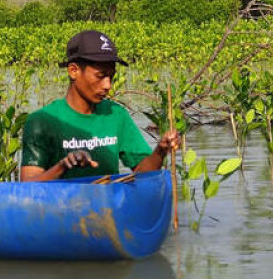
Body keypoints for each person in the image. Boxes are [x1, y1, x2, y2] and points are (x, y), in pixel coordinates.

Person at [20, 30, 180, 181]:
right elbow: (28, 187)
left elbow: (143, 174)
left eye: (111, 77)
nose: (107, 85)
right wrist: (63, 166)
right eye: (100, 76)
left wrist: (160, 151)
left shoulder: (116, 115)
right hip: (62, 209)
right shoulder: (42, 121)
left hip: (106, 209)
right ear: (73, 71)